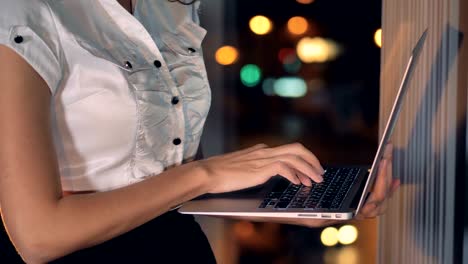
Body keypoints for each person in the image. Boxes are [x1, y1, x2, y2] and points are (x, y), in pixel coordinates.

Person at [0, 0, 400, 263]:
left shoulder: (166, 8)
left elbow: (174, 172)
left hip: (179, 249)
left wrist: (297, 201)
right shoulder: (21, 12)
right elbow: (38, 236)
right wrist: (204, 174)